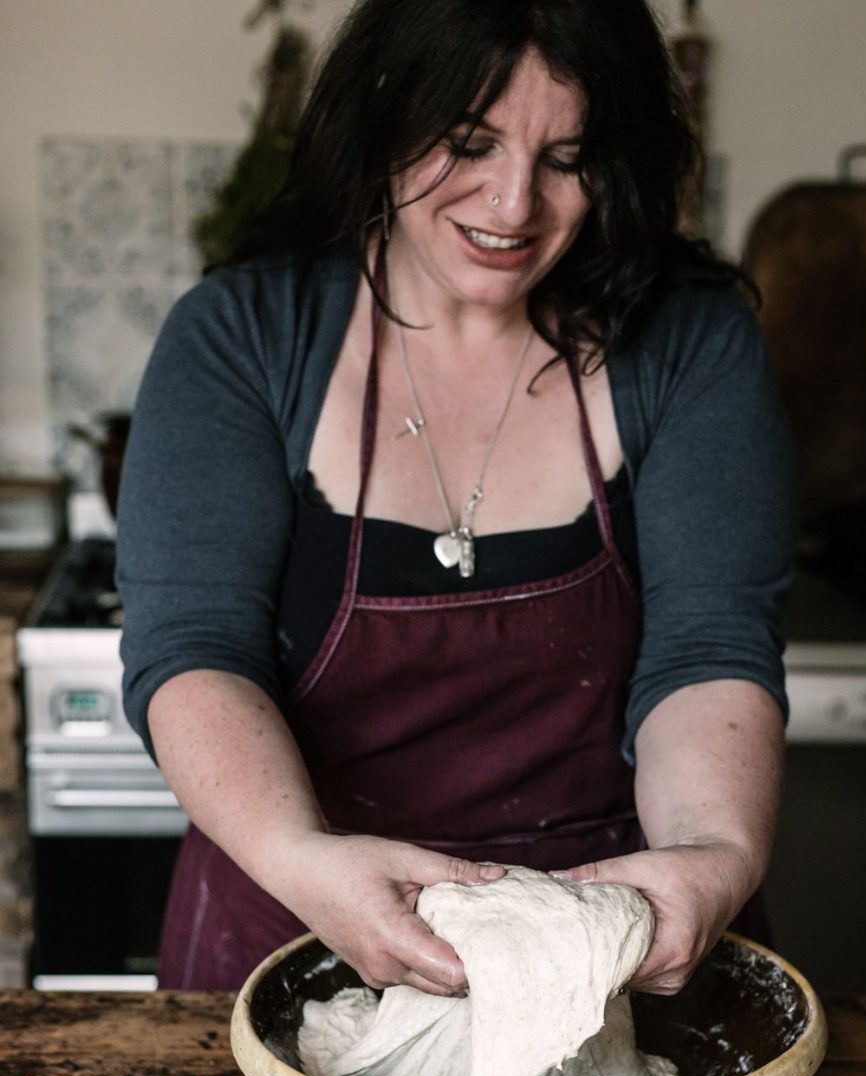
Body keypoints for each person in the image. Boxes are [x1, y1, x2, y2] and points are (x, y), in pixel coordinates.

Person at [116, 0, 797, 996]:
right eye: (468, 142)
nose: (514, 204)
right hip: (297, 924)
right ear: (386, 117)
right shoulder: (244, 337)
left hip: (606, 948)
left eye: (567, 158)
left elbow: (709, 646)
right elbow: (194, 649)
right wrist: (302, 857)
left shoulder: (689, 348)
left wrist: (715, 854)